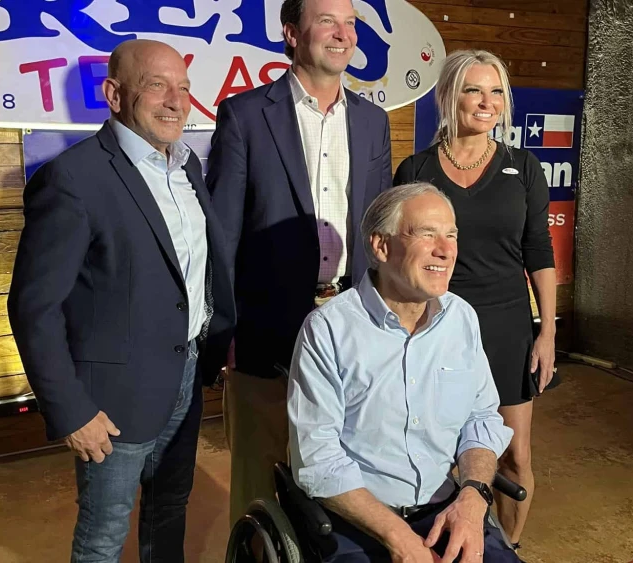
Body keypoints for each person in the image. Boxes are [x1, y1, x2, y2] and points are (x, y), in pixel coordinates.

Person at [7, 39, 234, 562]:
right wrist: (71, 411)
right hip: (109, 401)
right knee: (104, 534)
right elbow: (33, 307)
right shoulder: (73, 179)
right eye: (157, 85)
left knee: (169, 511)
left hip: (185, 380)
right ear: (113, 94)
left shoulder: (187, 168)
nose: (176, 100)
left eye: (183, 87)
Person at [206, 0, 392, 525]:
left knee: (346, 478)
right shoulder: (244, 115)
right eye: (327, 21)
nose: (343, 34)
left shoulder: (373, 121)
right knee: (260, 483)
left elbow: (379, 231)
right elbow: (221, 233)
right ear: (292, 32)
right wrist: (227, 329)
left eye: (351, 23)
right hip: (267, 329)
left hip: (353, 329)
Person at [288, 182, 519, 563]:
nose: (446, 251)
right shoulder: (328, 329)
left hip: (446, 508)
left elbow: (481, 418)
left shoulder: (461, 318)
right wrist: (397, 535)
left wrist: (474, 496)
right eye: (427, 235)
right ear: (381, 246)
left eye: (451, 235)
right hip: (358, 521)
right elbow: (319, 460)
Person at [392, 50, 557, 551]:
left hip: (507, 327)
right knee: (435, 451)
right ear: (448, 96)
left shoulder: (522, 166)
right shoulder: (416, 168)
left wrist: (547, 331)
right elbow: (399, 257)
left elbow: (539, 250)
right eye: (473, 90)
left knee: (512, 457)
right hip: (433, 329)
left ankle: (504, 549)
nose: (486, 102)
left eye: (495, 92)